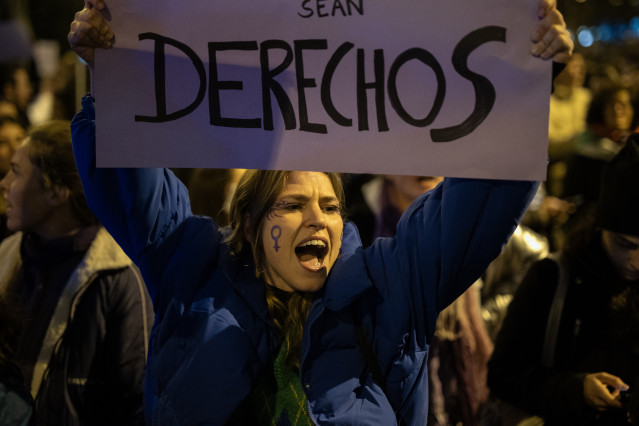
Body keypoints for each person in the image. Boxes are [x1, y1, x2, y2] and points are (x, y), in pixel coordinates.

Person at [68, 0, 573, 424]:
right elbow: (130, 182)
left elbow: (476, 202)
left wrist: (522, 87)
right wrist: (112, 79)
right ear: (249, 224)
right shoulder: (193, 269)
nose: (319, 219)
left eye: (330, 206)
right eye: (292, 205)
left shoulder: (389, 289)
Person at [0, 120, 153, 425]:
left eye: (16, 172)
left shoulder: (118, 276)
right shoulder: (8, 254)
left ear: (56, 193)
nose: (4, 183)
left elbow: (135, 402)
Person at [487, 135, 639, 425]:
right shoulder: (553, 277)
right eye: (624, 244)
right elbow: (503, 374)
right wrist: (576, 388)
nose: (636, 262)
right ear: (599, 228)